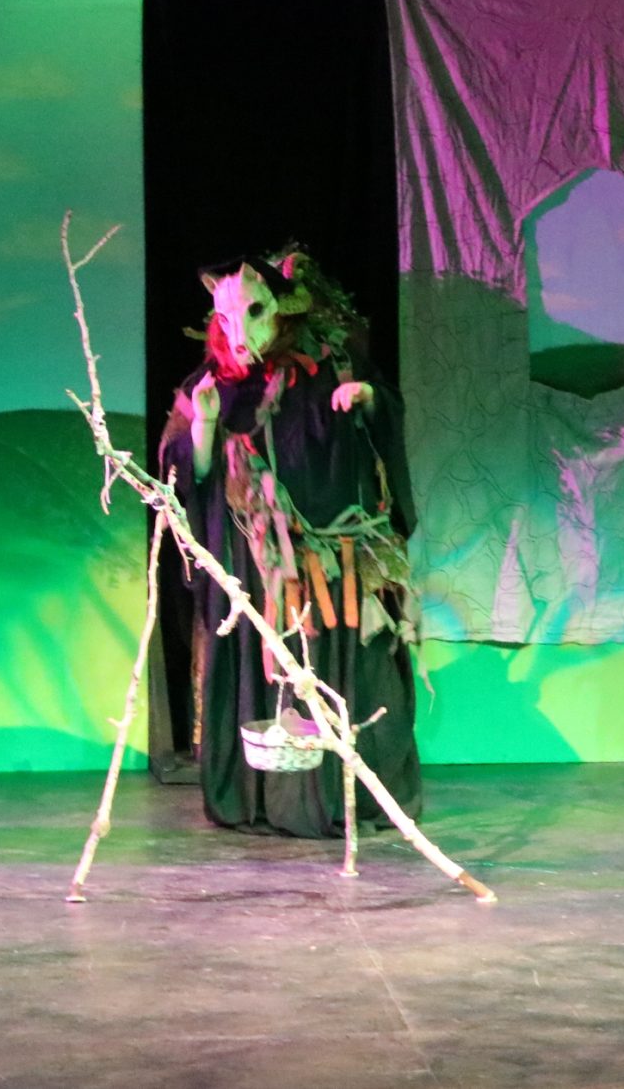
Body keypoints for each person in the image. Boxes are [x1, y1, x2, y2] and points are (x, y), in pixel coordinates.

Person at [158, 247, 421, 836]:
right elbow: (185, 477)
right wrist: (205, 425)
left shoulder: (328, 367)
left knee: (339, 670)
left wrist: (366, 402)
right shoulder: (208, 386)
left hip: (330, 562)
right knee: (265, 668)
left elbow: (382, 425)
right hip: (251, 569)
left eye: (254, 312)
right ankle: (262, 796)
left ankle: (344, 794)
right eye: (226, 318)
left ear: (282, 309)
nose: (240, 331)